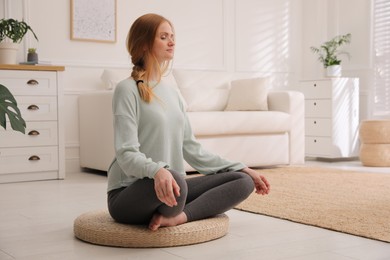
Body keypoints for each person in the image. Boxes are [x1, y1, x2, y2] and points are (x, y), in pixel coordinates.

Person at [107, 13, 271, 231]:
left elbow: (192, 149)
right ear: (144, 44)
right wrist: (158, 171)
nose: (172, 42)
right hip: (128, 194)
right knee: (177, 181)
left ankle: (180, 217)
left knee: (242, 181)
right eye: (164, 37)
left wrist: (243, 168)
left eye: (172, 36)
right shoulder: (126, 90)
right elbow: (126, 154)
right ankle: (176, 203)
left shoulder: (173, 94)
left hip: (173, 191)